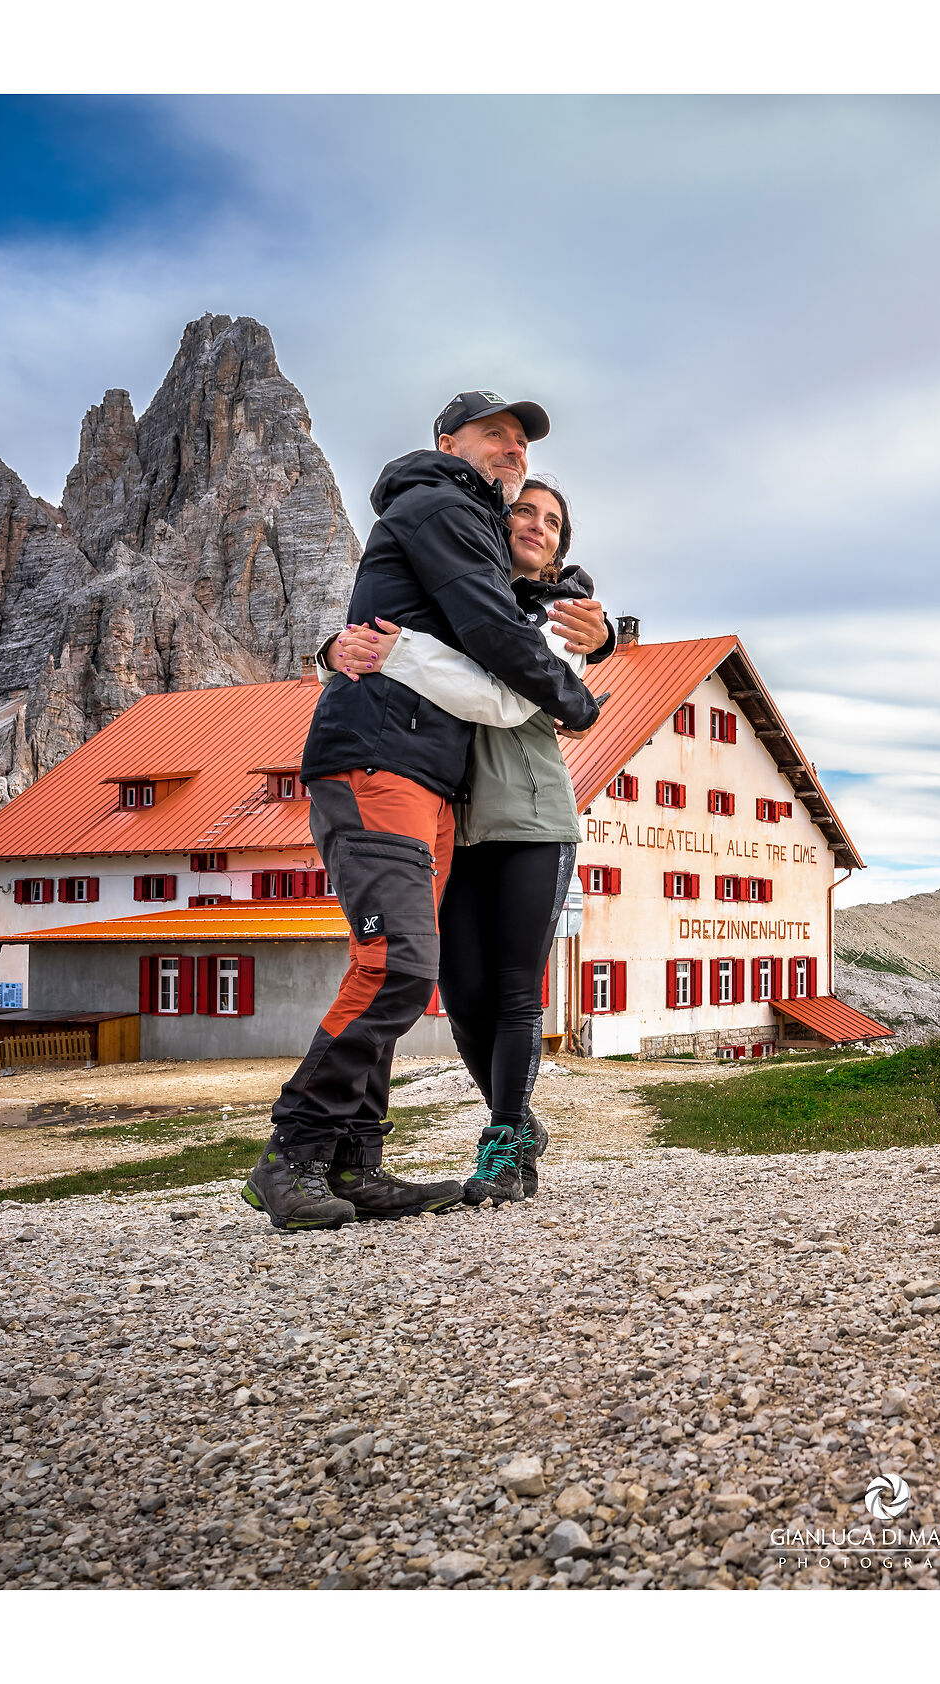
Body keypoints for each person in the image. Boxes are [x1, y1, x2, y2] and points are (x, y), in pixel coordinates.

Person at [242, 392, 606, 1233]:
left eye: (520, 441)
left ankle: (354, 1162)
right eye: (495, 435)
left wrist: (598, 640)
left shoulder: (477, 529)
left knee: (405, 966)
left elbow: (516, 614)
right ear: (449, 442)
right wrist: (579, 701)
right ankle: (294, 1152)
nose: (511, 449)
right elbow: (488, 627)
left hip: (431, 773)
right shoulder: (442, 502)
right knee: (404, 966)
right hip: (382, 756)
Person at [326, 478, 595, 1209]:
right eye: (524, 512)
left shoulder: (563, 619)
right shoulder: (461, 599)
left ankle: (506, 1142)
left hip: (527, 817)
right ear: (493, 524)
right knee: (459, 991)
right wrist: (341, 648)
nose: (536, 526)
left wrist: (397, 652)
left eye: (553, 522)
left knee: (511, 990)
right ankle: (519, 1120)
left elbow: (506, 697)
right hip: (451, 816)